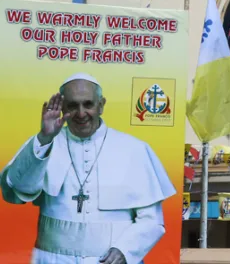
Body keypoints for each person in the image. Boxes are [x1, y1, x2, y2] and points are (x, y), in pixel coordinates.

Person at [0, 73, 176, 264]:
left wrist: (126, 250)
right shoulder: (44, 143)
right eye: (73, 106)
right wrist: (44, 138)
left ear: (101, 105)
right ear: (62, 108)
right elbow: (18, 191)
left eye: (88, 104)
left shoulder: (135, 149)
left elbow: (152, 220)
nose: (81, 113)